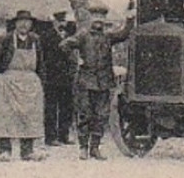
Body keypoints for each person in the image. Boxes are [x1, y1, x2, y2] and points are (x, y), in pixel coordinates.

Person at [72, 10, 134, 160]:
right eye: (96, 17)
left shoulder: (108, 37)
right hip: (86, 81)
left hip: (104, 82)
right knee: (84, 114)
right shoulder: (83, 35)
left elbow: (124, 34)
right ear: (91, 19)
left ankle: (95, 148)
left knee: (101, 116)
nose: (98, 20)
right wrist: (76, 60)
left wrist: (130, 19)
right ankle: (83, 148)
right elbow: (65, 44)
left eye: (101, 17)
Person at [0, 9, 47, 162]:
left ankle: (27, 151)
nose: (24, 24)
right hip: (9, 81)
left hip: (30, 82)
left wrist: (42, 81)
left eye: (27, 22)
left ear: (31, 25)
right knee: (6, 115)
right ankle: (5, 150)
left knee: (29, 116)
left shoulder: (35, 40)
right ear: (15, 23)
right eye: (21, 21)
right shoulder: (6, 40)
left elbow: (41, 63)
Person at [35, 13, 76, 146]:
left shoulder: (70, 36)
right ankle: (50, 137)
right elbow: (41, 57)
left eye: (63, 21)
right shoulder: (46, 36)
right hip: (51, 77)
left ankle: (63, 135)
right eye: (59, 21)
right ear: (54, 22)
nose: (62, 24)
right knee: (51, 108)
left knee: (66, 107)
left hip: (66, 78)